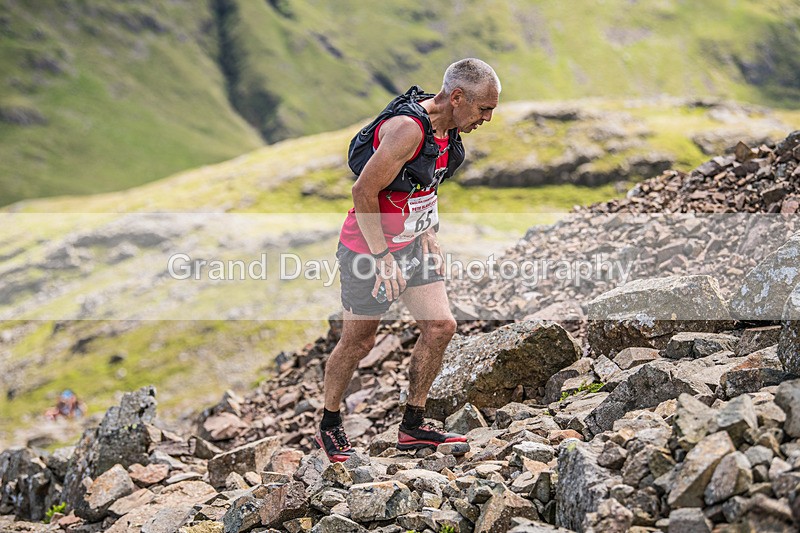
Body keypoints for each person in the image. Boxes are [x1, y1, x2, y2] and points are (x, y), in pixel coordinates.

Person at [316, 58, 501, 462]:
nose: (487, 118)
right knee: (360, 340)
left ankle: (413, 426)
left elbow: (423, 184)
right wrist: (382, 257)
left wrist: (428, 231)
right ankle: (329, 425)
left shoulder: (447, 133)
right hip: (369, 249)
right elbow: (363, 192)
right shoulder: (407, 130)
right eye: (484, 109)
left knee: (441, 326)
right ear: (457, 97)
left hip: (413, 244)